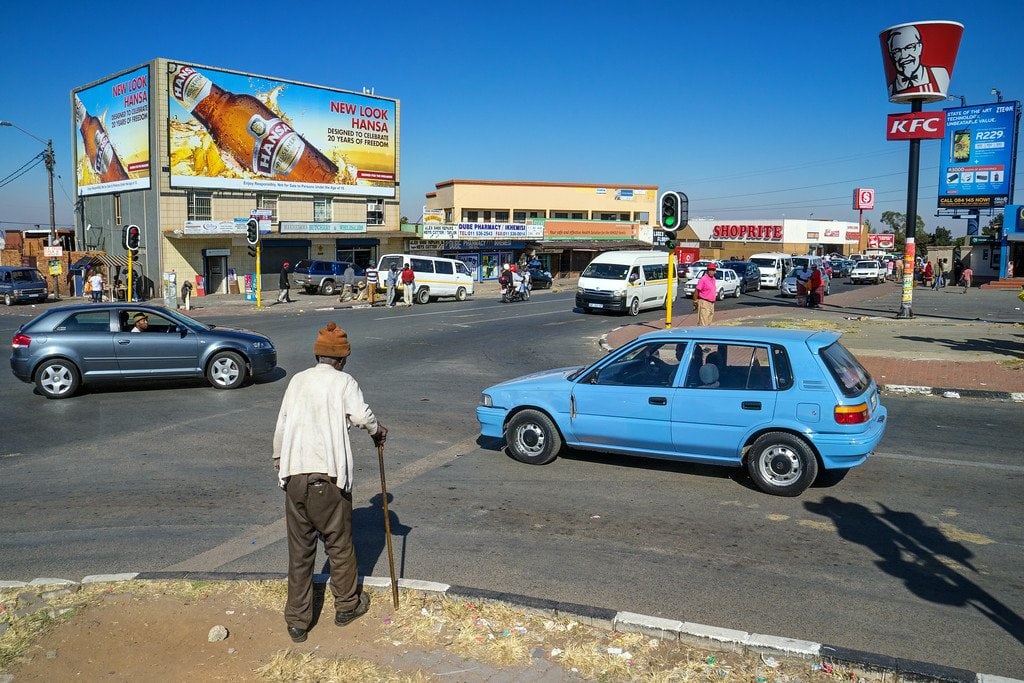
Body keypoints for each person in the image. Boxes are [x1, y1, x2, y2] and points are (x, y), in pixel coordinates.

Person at [273, 322, 387, 643]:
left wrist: (280, 464)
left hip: (294, 477)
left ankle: (297, 621)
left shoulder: (297, 381)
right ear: (341, 360)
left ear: (317, 355)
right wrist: (377, 431)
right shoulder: (343, 382)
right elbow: (362, 417)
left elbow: (281, 427)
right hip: (327, 479)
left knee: (300, 552)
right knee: (339, 544)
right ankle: (347, 606)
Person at [884, 24, 951, 101]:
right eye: (897, 51)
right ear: (891, 55)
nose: (904, 55)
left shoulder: (939, 74)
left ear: (919, 47)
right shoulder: (892, 88)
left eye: (909, 47)